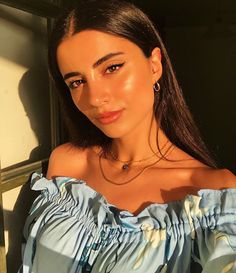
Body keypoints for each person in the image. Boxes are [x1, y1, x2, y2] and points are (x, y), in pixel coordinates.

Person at [20, 1, 236, 272]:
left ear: (155, 65)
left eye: (112, 68)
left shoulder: (216, 195)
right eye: (77, 82)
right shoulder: (66, 168)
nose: (95, 98)